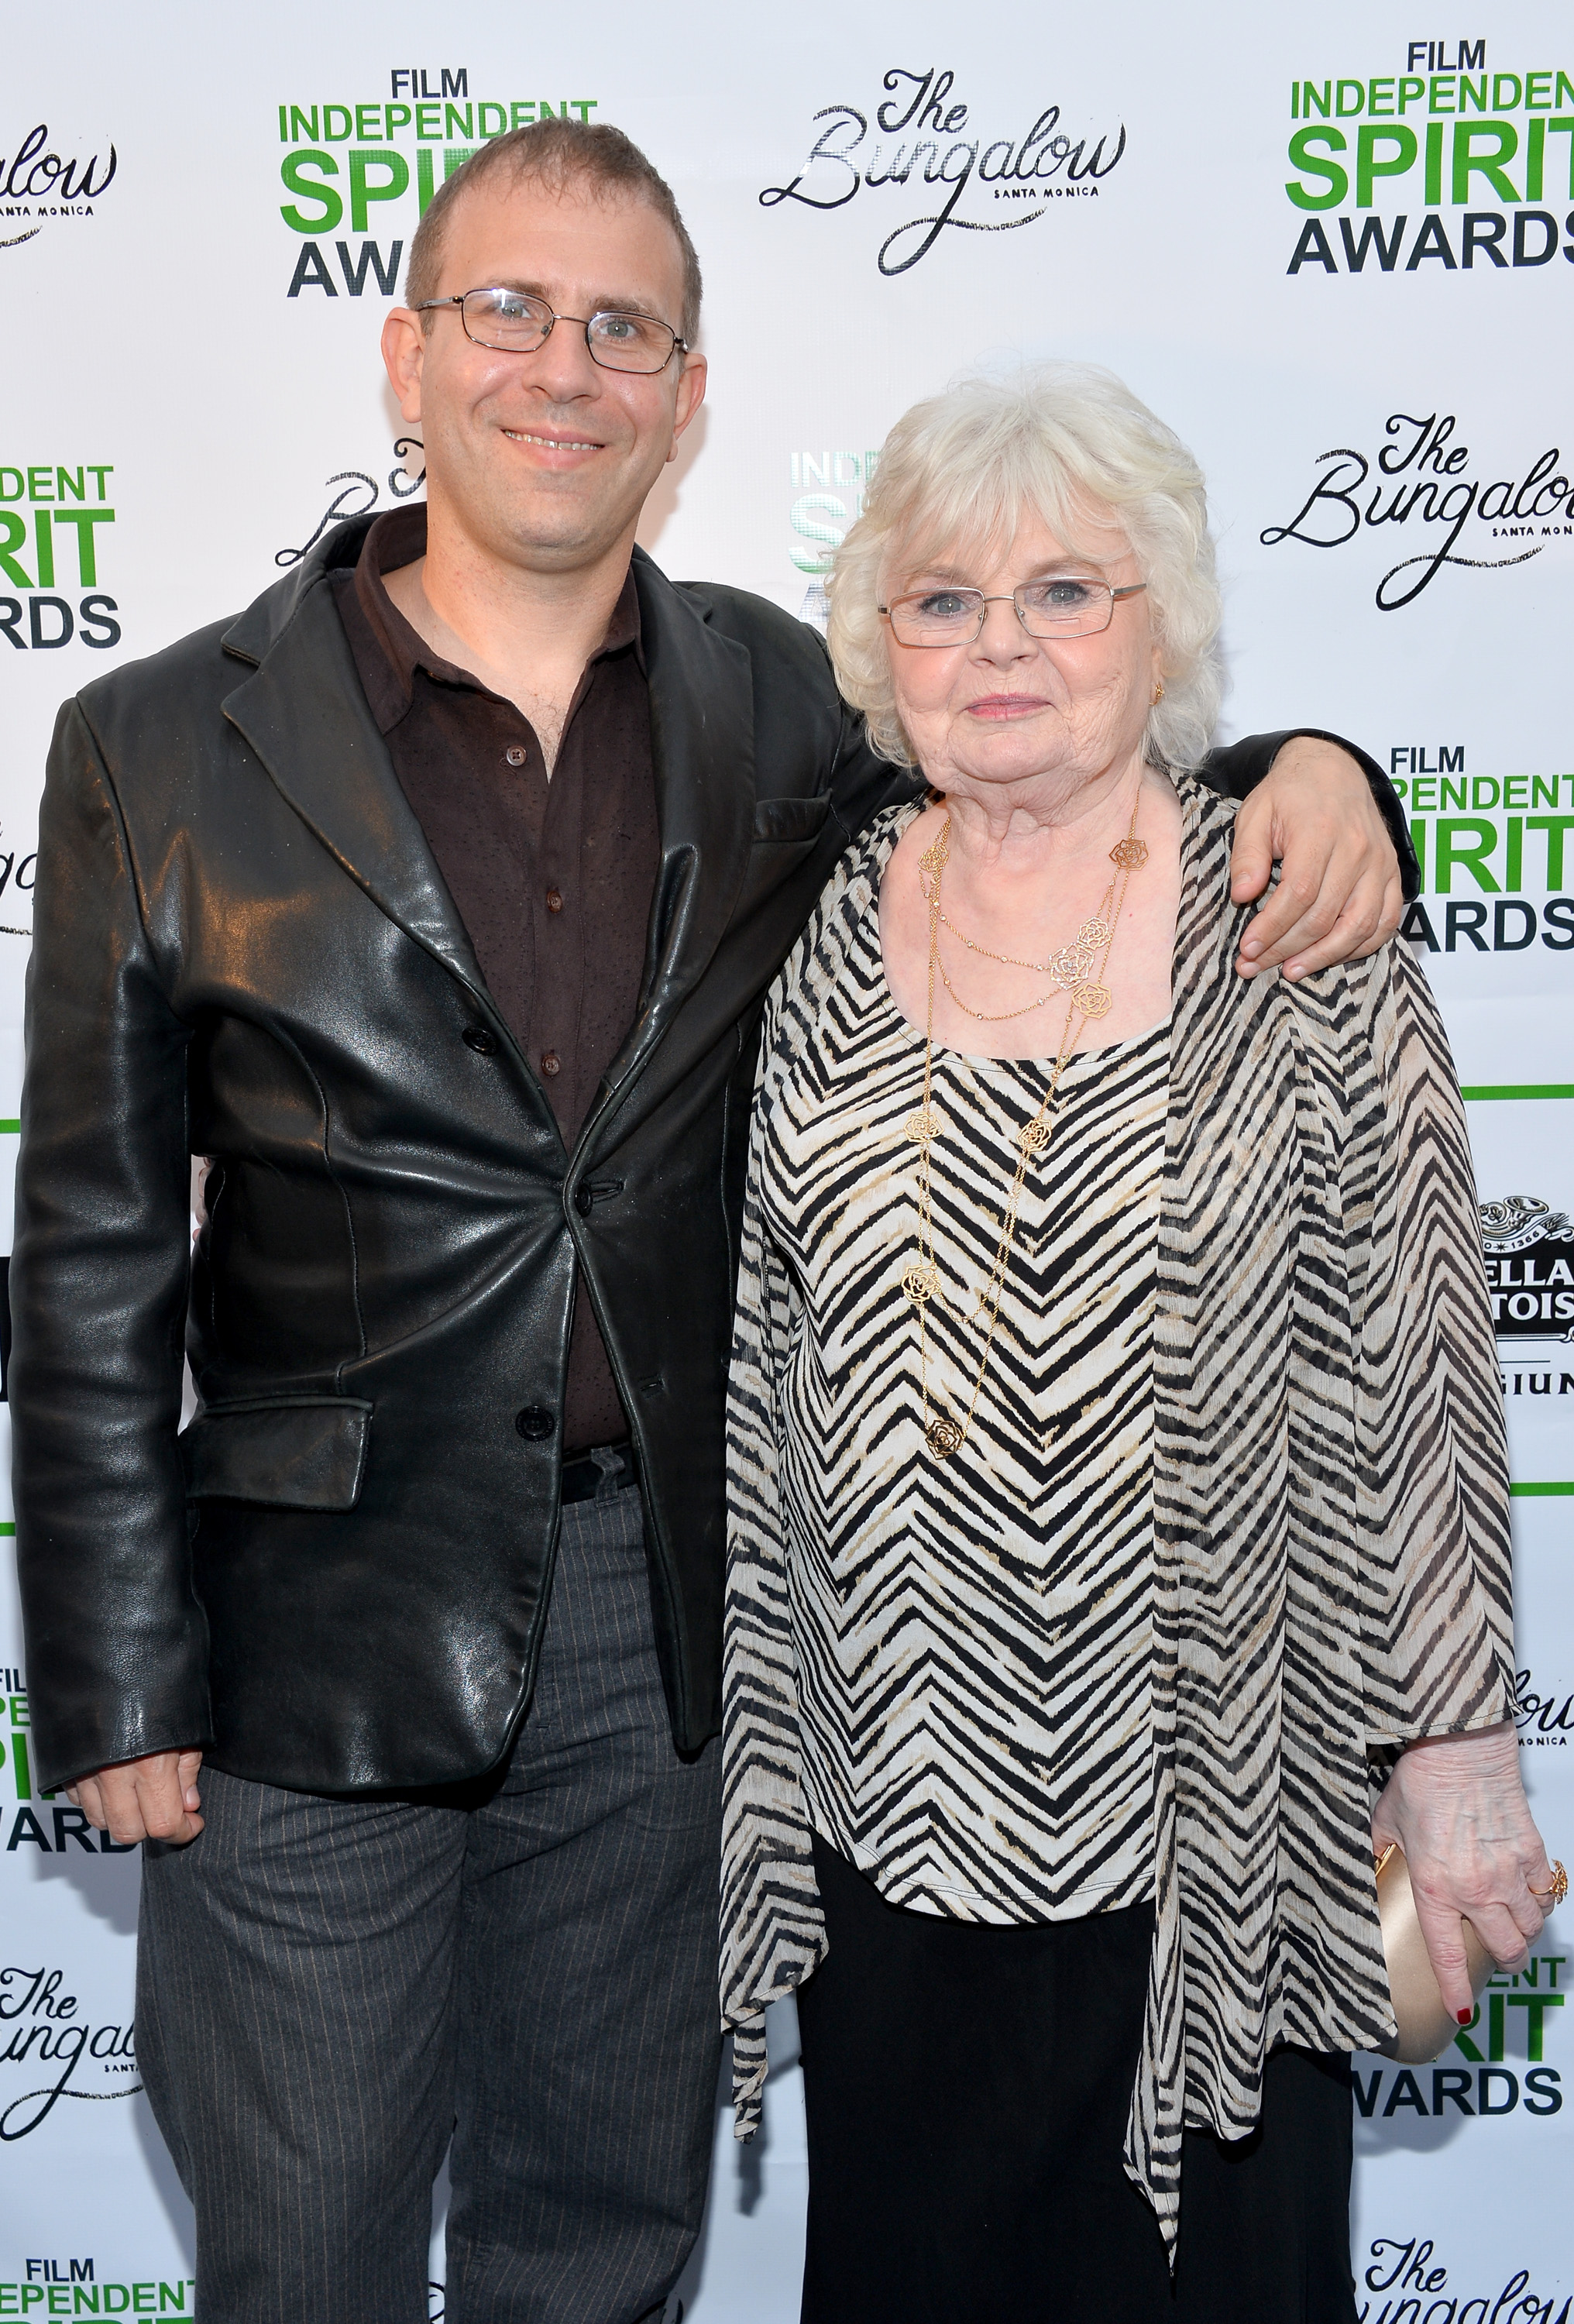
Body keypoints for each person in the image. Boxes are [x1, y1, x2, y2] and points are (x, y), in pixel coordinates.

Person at [13, 119, 1404, 2324]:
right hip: (303, 1653)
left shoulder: (785, 699)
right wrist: (104, 1676)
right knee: (305, 2265)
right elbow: (89, 1255)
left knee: (606, 2251)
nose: (560, 366)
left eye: (620, 328)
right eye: (507, 312)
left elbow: (1049, 756)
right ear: (404, 357)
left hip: (674, 1651)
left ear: (683, 396)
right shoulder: (154, 742)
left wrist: (1323, 768)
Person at [719, 364, 1559, 2324]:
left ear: (1160, 623)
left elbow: (1418, 1371)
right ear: (876, 643)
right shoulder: (816, 915)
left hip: (1218, 1823)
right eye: (939, 600)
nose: (996, 642)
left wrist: (1453, 1768)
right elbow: (759, 1354)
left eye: (1063, 592)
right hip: (885, 1813)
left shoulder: (1296, 916)